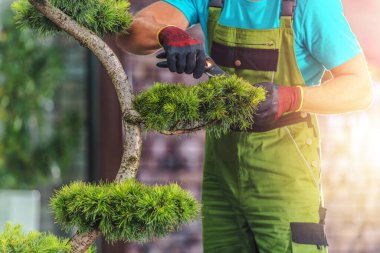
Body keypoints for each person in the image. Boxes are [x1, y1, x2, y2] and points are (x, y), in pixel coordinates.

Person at [116, 0, 373, 252]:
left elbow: (360, 88)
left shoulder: (310, 5)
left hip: (284, 172)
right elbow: (131, 32)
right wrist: (166, 32)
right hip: (222, 173)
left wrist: (291, 97)